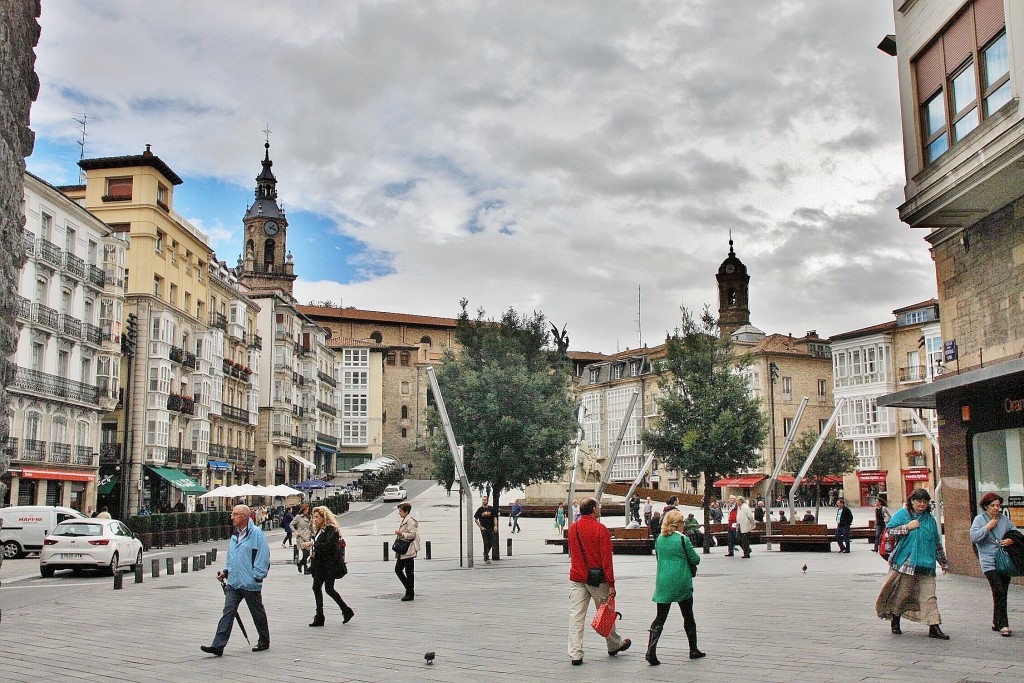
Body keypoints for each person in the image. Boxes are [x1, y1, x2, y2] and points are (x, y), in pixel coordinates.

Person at [875, 489, 950, 640]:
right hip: (906, 563)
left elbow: (936, 544)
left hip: (927, 564)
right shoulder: (903, 515)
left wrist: (943, 563)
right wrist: (907, 527)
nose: (922, 504)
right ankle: (895, 617)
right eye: (918, 501)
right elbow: (889, 531)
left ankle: (934, 626)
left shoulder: (930, 520)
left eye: (925, 501)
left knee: (930, 596)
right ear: (912, 501)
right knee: (903, 594)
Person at [567, 497, 631, 666]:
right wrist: (611, 584)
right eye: (598, 506)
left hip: (577, 577)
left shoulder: (573, 528)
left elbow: (573, 553)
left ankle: (575, 653)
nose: (600, 508)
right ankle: (614, 644)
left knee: (576, 616)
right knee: (605, 612)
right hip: (597, 580)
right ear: (594, 509)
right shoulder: (601, 529)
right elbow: (606, 560)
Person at [201, 504, 271, 656]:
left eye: (235, 514)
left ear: (245, 516)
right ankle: (218, 645)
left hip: (249, 582)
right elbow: (231, 556)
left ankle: (264, 640)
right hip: (233, 582)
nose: (231, 517)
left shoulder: (256, 534)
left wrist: (257, 576)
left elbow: (263, 556)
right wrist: (226, 572)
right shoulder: (235, 534)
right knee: (228, 611)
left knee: (256, 612)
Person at [645, 510, 704, 665]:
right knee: (688, 615)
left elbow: (658, 557)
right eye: (682, 522)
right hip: (681, 581)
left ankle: (651, 651)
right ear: (678, 524)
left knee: (660, 617)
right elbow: (695, 559)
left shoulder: (659, 539)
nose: (684, 524)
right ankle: (693, 649)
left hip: (663, 581)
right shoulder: (683, 539)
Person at [969, 492, 1021, 637]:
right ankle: (1003, 624)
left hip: (1004, 561)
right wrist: (987, 527)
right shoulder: (979, 520)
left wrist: (1011, 540)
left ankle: (995, 622)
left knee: (1002, 591)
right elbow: (973, 537)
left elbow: (1015, 532)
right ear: (986, 506)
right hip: (988, 562)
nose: (996, 508)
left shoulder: (1004, 519)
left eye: (998, 505)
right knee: (999, 590)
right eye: (993, 505)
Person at [307, 506, 354, 626]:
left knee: (324, 588)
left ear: (324, 517)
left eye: (317, 517)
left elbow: (328, 545)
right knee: (323, 588)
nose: (315, 519)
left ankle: (321, 616)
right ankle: (344, 610)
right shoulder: (320, 529)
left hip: (328, 564)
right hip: (320, 563)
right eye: (314, 517)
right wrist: (314, 550)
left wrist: (313, 544)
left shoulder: (331, 529)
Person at [394, 501, 419, 601]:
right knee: (407, 572)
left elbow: (413, 534)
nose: (399, 513)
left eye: (400, 511)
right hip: (403, 550)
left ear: (406, 512)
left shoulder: (410, 521)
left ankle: (409, 591)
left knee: (401, 570)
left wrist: (402, 534)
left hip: (408, 550)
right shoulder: (405, 520)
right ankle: (409, 592)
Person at [474, 495, 498, 564]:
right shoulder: (480, 509)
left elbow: (495, 517)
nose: (483, 501)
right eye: (483, 500)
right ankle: (486, 557)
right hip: (484, 529)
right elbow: (476, 519)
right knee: (486, 542)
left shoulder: (491, 509)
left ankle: (485, 552)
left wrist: (495, 526)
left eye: (485, 500)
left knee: (491, 542)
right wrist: (480, 527)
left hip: (491, 528)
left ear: (487, 501)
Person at [291, 504, 313, 574]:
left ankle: (300, 564)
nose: (307, 511)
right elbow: (291, 525)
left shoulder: (309, 517)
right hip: (301, 537)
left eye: (308, 509)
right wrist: (295, 532)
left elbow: (311, 527)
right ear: (303, 510)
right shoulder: (298, 517)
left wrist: (313, 533)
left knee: (308, 554)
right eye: (306, 509)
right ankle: (305, 569)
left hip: (308, 537)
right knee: (305, 553)